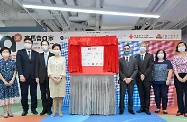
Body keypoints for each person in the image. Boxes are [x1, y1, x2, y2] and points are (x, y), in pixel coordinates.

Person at [16, 38, 39, 116]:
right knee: (24, 94)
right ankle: (25, 109)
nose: (27, 44)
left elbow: (37, 66)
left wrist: (37, 76)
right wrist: (21, 75)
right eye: (26, 42)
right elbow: (18, 64)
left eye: (29, 42)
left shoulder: (36, 53)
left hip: (33, 77)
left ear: (32, 44)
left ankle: (34, 109)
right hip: (23, 77)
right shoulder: (20, 52)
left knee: (34, 93)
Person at [0, 47, 20, 118]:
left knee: (10, 96)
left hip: (12, 82)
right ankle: (5, 111)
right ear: (1, 53)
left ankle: (9, 111)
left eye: (7, 52)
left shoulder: (12, 62)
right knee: (3, 97)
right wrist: (4, 81)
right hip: (2, 82)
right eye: (4, 52)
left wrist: (12, 80)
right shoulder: (0, 62)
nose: (5, 53)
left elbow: (15, 71)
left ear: (9, 54)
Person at [35, 40, 54, 115]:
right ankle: (44, 109)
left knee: (50, 94)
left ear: (49, 46)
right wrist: (36, 76)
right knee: (43, 94)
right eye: (43, 44)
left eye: (45, 44)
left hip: (51, 77)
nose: (44, 46)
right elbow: (36, 67)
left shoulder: (52, 55)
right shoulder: (39, 55)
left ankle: (49, 108)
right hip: (41, 77)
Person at [135, 42, 154, 115]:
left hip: (147, 78)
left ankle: (147, 108)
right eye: (141, 46)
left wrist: (144, 75)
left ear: (146, 47)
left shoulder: (150, 56)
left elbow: (150, 67)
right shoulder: (136, 57)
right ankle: (142, 107)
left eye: (144, 46)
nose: (142, 47)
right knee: (141, 93)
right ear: (139, 47)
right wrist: (140, 74)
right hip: (139, 78)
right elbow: (135, 67)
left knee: (147, 94)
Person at [48, 43, 66, 117]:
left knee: (60, 96)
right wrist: (53, 78)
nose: (56, 50)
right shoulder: (50, 58)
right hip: (52, 79)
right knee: (54, 96)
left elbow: (64, 69)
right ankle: (54, 111)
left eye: (57, 49)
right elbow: (49, 69)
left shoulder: (63, 58)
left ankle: (60, 111)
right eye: (55, 49)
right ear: (52, 50)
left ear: (60, 50)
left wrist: (60, 78)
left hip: (61, 79)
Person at [119, 45, 138, 115]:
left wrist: (130, 78)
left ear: (130, 50)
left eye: (127, 49)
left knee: (130, 95)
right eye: (125, 49)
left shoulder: (134, 59)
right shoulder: (120, 60)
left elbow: (136, 70)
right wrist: (124, 78)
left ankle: (130, 109)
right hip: (123, 80)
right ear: (123, 50)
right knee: (122, 95)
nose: (126, 50)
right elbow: (119, 70)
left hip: (131, 80)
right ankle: (121, 109)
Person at [152, 49, 173, 114]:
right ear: (157, 54)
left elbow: (170, 70)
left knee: (164, 95)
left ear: (164, 54)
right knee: (157, 95)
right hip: (155, 82)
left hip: (164, 82)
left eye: (162, 53)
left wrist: (168, 79)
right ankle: (158, 107)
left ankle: (164, 109)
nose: (160, 54)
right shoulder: (154, 62)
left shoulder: (167, 62)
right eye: (159, 53)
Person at [172, 42, 187, 117]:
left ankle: (186, 111)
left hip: (186, 75)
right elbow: (174, 68)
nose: (181, 47)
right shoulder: (175, 57)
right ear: (177, 48)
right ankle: (180, 110)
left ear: (185, 46)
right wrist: (178, 77)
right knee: (179, 94)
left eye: (182, 45)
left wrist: (185, 77)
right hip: (178, 76)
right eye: (179, 46)